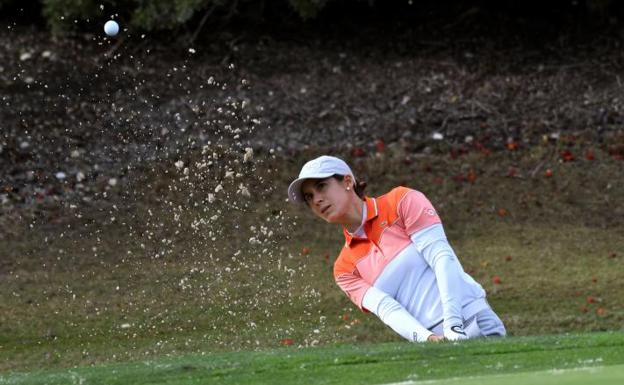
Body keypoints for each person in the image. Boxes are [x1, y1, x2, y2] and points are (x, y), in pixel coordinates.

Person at [288, 155, 506, 342]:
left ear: (347, 181)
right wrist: (429, 340)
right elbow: (387, 309)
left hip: (471, 316)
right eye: (309, 197)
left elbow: (442, 258)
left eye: (321, 187)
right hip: (435, 341)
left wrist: (453, 325)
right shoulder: (344, 269)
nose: (317, 199)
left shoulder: (401, 201)